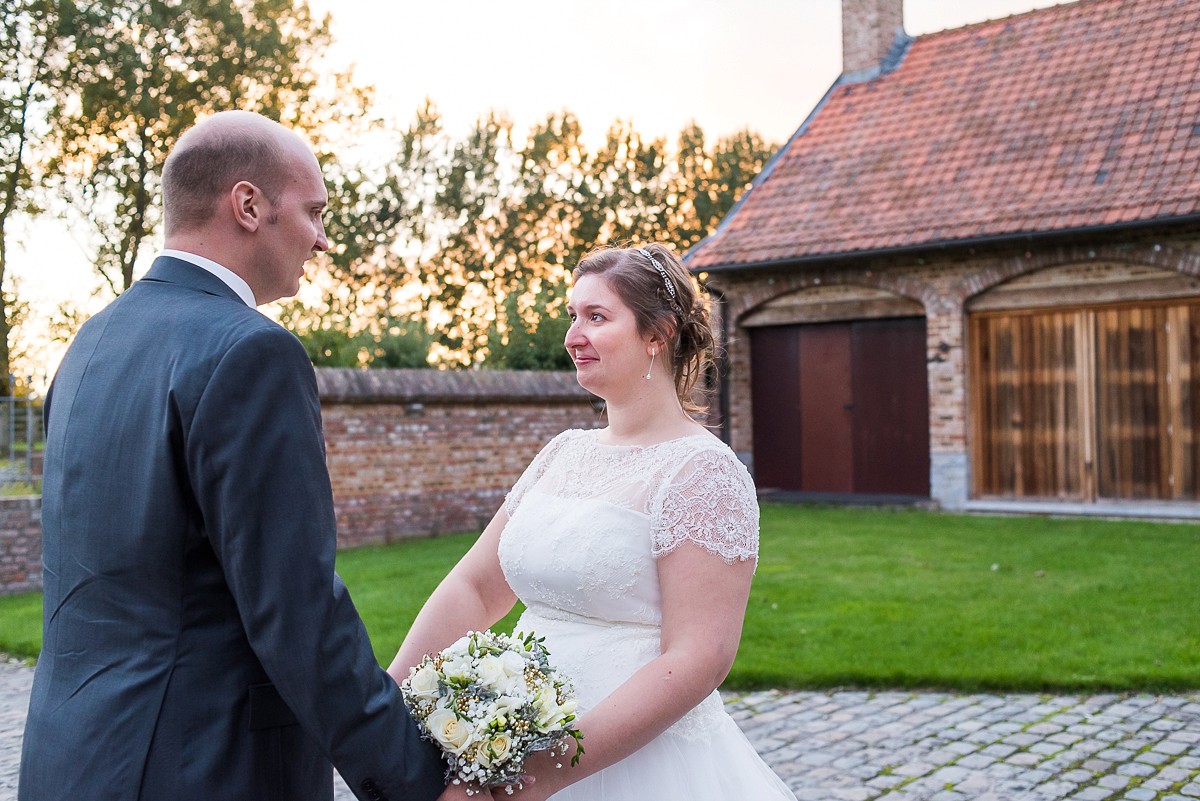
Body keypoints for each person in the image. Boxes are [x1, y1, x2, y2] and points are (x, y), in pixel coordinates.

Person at [19, 110, 457, 801]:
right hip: (201, 765)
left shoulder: (89, 344)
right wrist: (417, 780)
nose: (321, 239)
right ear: (249, 204)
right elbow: (297, 610)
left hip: (71, 757)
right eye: (314, 212)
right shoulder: (251, 351)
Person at [388, 244, 798, 800]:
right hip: (512, 741)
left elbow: (698, 657)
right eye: (573, 317)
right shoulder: (562, 452)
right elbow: (477, 586)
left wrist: (543, 772)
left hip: (633, 763)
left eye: (596, 318)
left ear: (658, 335)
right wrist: (390, 699)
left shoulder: (703, 472)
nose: (572, 336)